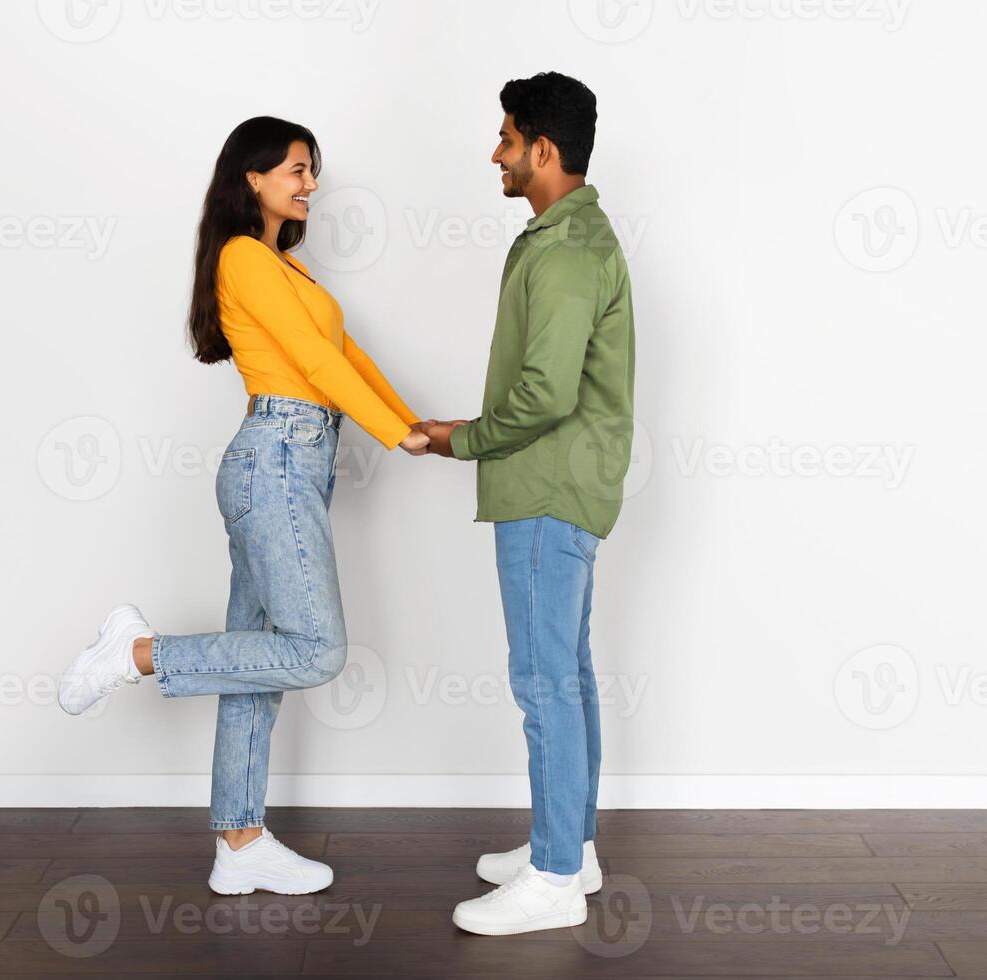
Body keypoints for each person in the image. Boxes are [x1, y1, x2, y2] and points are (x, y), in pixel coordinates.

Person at [57, 116, 431, 897]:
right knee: (316, 649)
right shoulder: (242, 257)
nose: (311, 183)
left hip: (292, 462)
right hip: (277, 461)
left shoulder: (285, 269)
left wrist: (415, 420)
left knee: (256, 662)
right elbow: (317, 362)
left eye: (312, 170)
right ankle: (136, 653)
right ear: (252, 177)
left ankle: (240, 841)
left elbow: (348, 352)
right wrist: (396, 433)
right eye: (298, 169)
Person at [417, 72, 636, 936]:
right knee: (567, 676)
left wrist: (458, 439)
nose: (496, 154)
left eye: (507, 139)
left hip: (548, 487)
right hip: (560, 487)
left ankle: (551, 879)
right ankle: (569, 847)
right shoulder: (568, 237)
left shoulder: (567, 248)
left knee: (543, 683)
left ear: (544, 150)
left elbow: (545, 393)